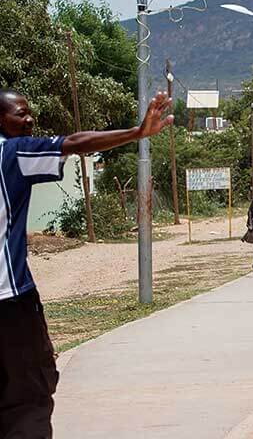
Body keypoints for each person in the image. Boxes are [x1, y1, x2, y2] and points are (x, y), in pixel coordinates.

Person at [0, 89, 173, 438]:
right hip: (11, 305)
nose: (29, 119)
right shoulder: (12, 153)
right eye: (20, 114)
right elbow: (75, 142)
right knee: (28, 401)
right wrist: (137, 133)